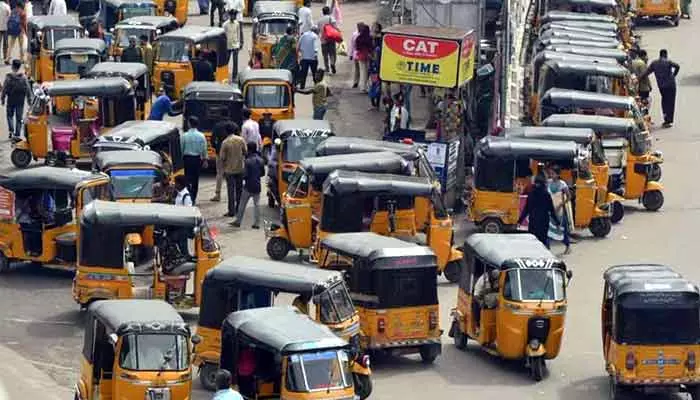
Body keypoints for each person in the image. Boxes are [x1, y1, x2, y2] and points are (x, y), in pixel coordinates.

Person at [640, 49, 680, 128]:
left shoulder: (654, 63)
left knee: (664, 101)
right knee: (671, 102)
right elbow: (677, 66)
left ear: (660, 55)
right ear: (665, 55)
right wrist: (674, 75)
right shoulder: (668, 62)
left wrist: (638, 79)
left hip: (662, 86)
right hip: (671, 85)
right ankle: (669, 120)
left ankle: (666, 118)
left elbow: (646, 73)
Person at [518, 173, 560, 248]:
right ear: (543, 184)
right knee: (542, 241)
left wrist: (520, 221)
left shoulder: (531, 194)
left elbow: (526, 209)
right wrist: (557, 222)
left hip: (533, 222)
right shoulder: (546, 194)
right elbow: (551, 209)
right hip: (543, 222)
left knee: (533, 242)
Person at [231, 141, 264, 229]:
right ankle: (257, 223)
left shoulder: (248, 161)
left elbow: (245, 175)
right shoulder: (261, 160)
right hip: (257, 185)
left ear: (248, 150)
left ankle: (238, 221)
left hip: (248, 186)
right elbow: (263, 173)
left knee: (242, 204)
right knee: (257, 205)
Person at [220, 120, 246, 216]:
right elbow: (245, 152)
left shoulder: (225, 142)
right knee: (239, 190)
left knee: (231, 191)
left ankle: (231, 211)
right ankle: (239, 209)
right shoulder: (241, 140)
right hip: (240, 168)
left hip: (229, 170)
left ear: (226, 131)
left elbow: (222, 157)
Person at [180, 116, 208, 203]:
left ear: (189, 124)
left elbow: (181, 149)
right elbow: (204, 149)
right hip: (197, 160)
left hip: (187, 159)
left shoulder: (184, 136)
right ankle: (194, 198)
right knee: (195, 179)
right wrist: (205, 160)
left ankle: (188, 197)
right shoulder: (201, 136)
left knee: (187, 178)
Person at [2, 59, 32, 139]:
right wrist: (29, 101)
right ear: (19, 67)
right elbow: (28, 89)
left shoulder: (8, 77)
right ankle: (17, 134)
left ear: (12, 66)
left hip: (11, 99)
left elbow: (4, 88)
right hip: (20, 100)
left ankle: (11, 130)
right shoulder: (23, 77)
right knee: (19, 118)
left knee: (9, 116)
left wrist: (3, 98)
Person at [548, 166, 572, 254]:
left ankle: (567, 246)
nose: (551, 175)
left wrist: (560, 205)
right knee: (549, 229)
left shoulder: (562, 184)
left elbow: (569, 197)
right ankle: (547, 248)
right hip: (550, 210)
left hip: (560, 211)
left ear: (558, 174)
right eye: (550, 173)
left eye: (553, 174)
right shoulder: (548, 183)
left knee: (563, 228)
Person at [210, 119, 233, 202]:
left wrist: (216, 148)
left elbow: (212, 139)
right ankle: (231, 195)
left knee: (219, 173)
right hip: (231, 153)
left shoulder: (217, 125)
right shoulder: (233, 125)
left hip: (220, 152)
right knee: (230, 173)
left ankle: (218, 194)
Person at [317, 6, 337, 74]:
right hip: (331, 39)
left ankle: (327, 69)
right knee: (332, 54)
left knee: (325, 55)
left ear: (323, 12)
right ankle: (332, 63)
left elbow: (318, 31)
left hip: (323, 40)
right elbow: (335, 28)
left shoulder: (319, 20)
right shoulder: (331, 18)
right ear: (328, 11)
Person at [354, 23, 373, 92]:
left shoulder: (358, 38)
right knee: (368, 72)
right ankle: (367, 86)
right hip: (368, 56)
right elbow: (371, 47)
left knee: (362, 71)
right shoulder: (369, 38)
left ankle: (362, 87)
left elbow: (357, 47)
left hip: (360, 55)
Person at [223, 9, 240, 81]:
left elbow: (238, 34)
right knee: (226, 61)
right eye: (232, 15)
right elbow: (223, 35)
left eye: (235, 15)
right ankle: (224, 76)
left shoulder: (237, 24)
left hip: (235, 45)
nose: (233, 16)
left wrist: (239, 43)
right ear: (230, 16)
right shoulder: (225, 24)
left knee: (235, 62)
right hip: (228, 45)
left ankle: (234, 77)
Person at [349, 23, 361, 88]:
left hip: (355, 54)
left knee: (357, 69)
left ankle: (356, 82)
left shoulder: (354, 34)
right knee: (361, 69)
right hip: (359, 54)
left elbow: (352, 46)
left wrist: (351, 55)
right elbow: (352, 45)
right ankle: (359, 82)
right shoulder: (363, 34)